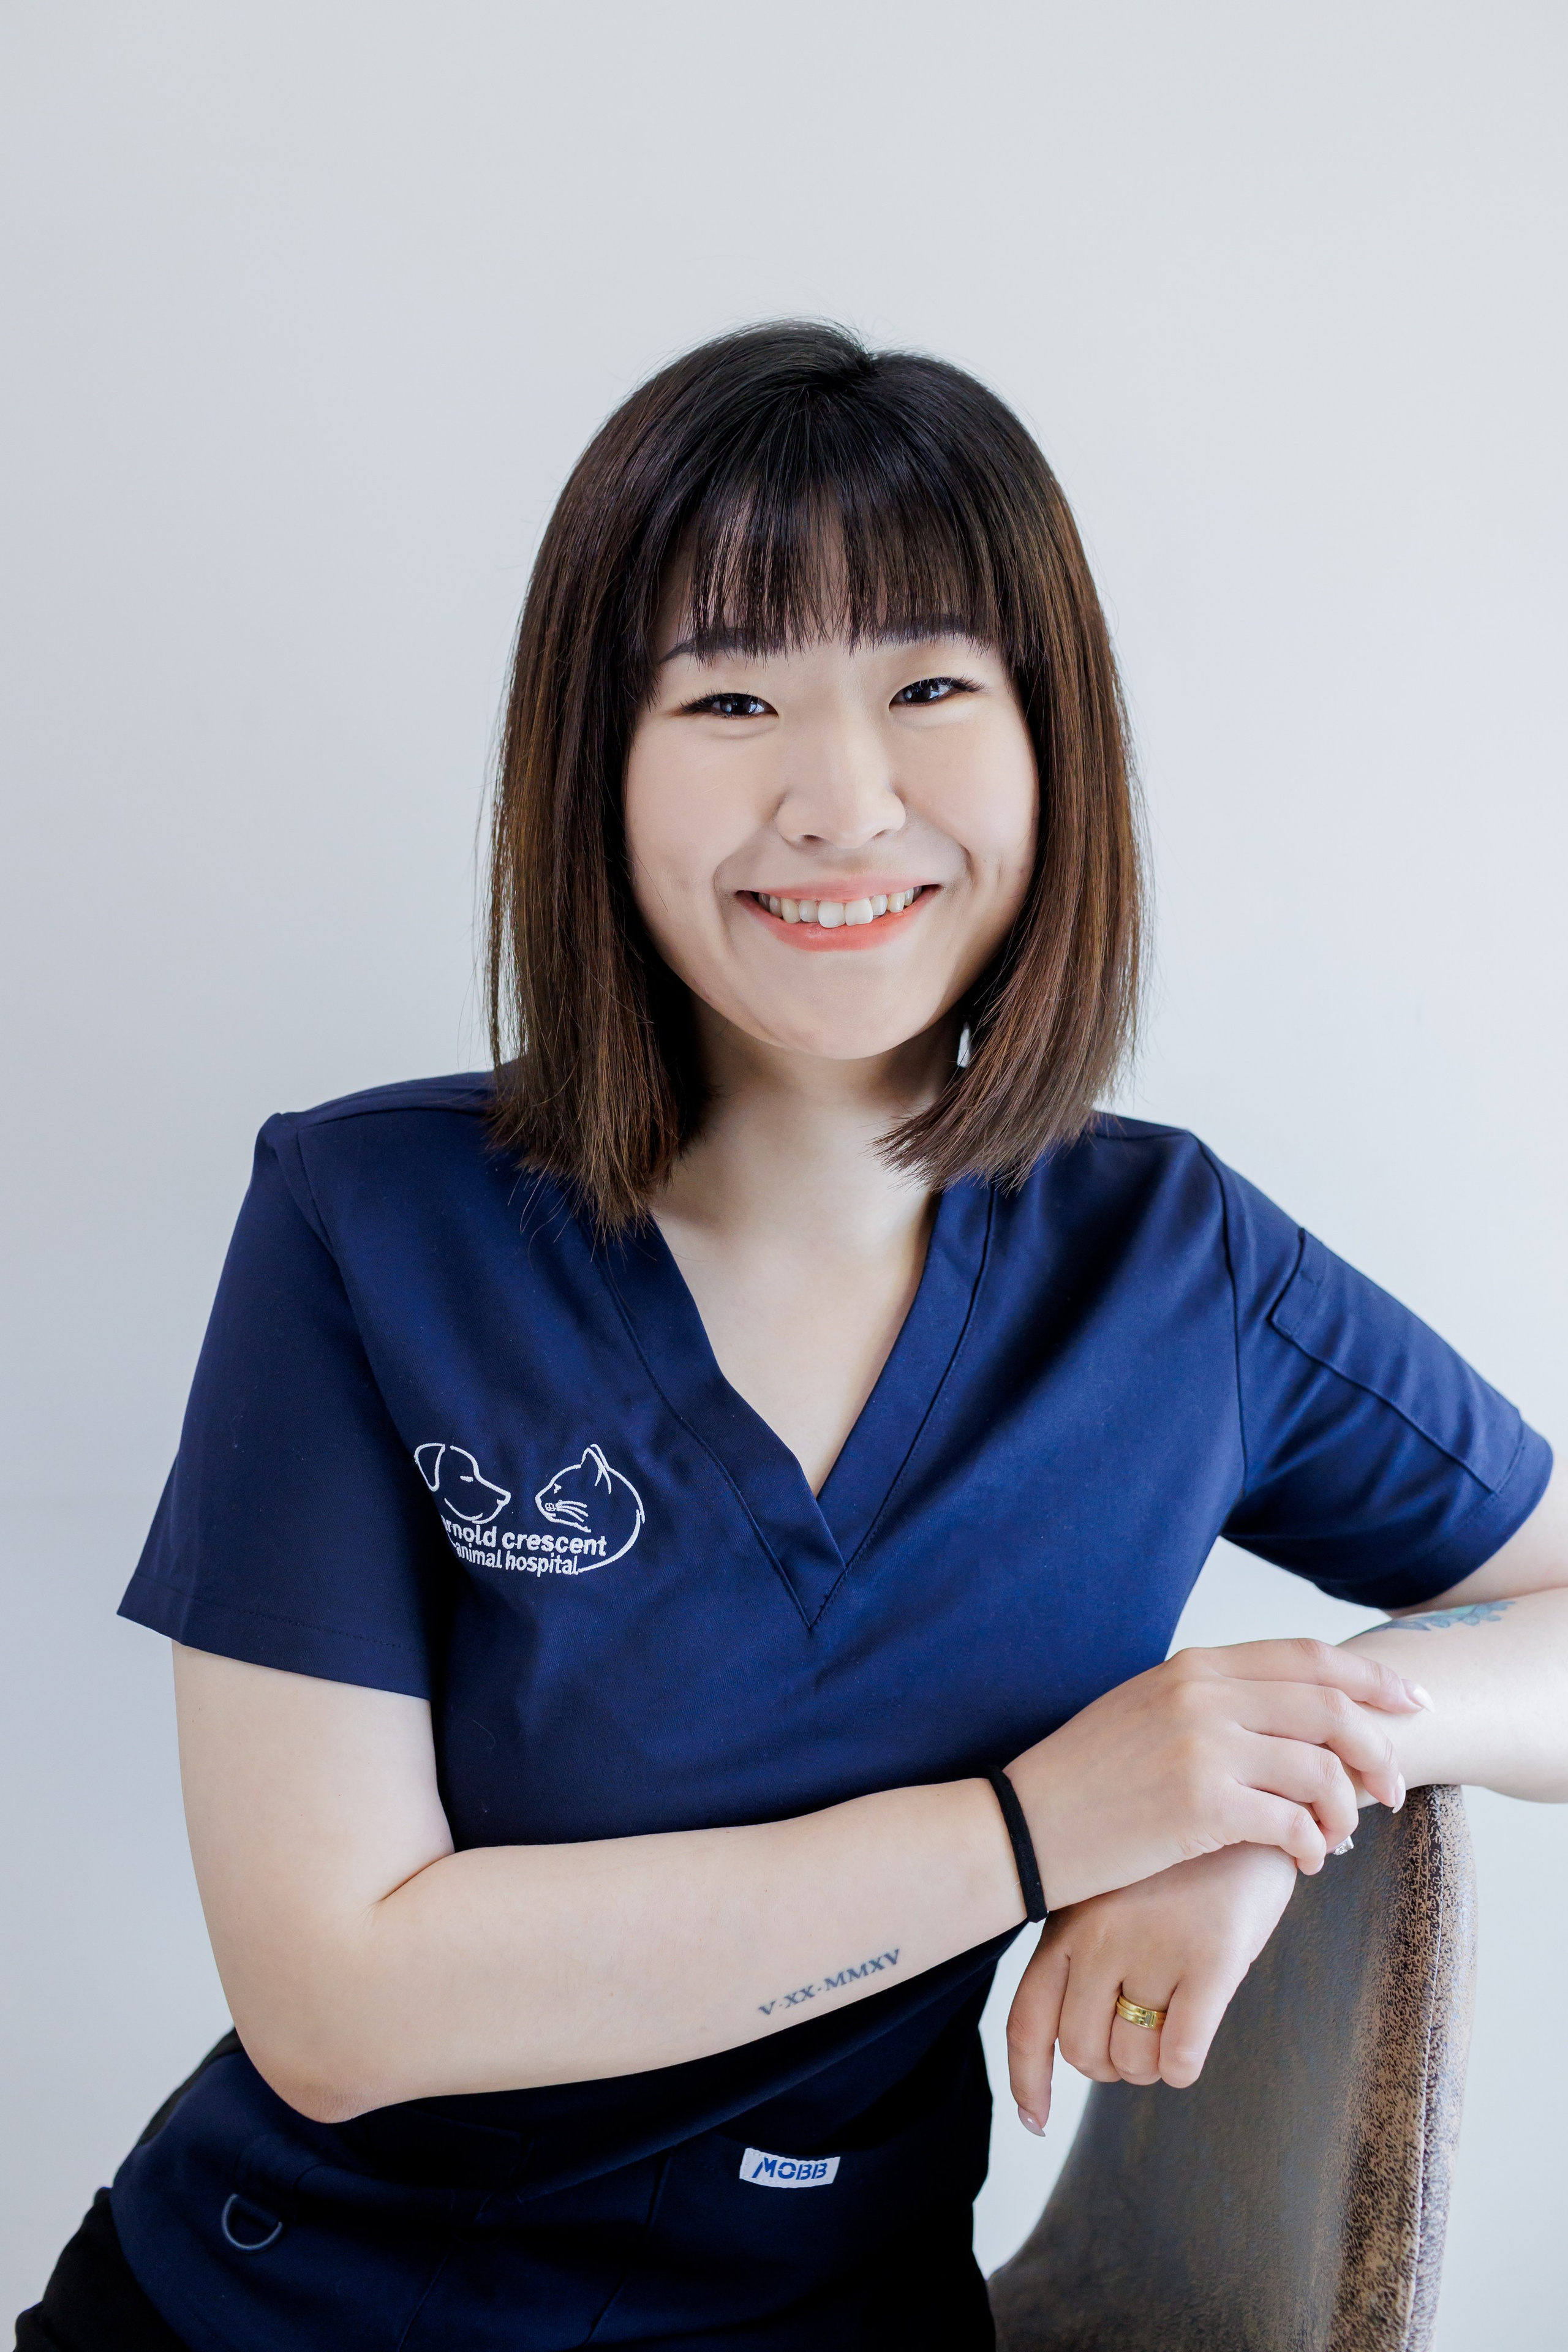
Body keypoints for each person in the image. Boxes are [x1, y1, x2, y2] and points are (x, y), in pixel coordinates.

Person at [18, 322, 1566, 2352]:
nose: (842, 800)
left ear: (1048, 744)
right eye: (732, 694)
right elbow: (339, 2004)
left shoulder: (1175, 1267)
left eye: (930, 685)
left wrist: (1273, 1792)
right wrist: (1038, 1829)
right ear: (600, 765)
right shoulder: (366, 1228)